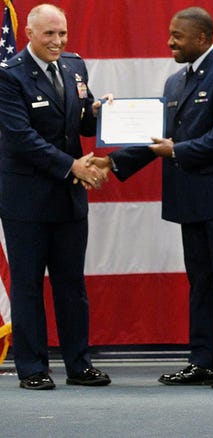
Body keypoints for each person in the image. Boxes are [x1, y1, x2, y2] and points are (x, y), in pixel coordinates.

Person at [90, 7, 213, 389]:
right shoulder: (174, 82)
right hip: (191, 198)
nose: (170, 41)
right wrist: (112, 162)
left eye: (177, 36)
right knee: (200, 281)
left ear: (201, 38)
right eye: (170, 34)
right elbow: (158, 137)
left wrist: (179, 151)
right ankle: (202, 360)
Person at [0, 3, 111, 390]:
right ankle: (32, 368)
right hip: (25, 200)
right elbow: (20, 139)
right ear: (28, 34)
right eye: (49, 34)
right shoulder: (8, 76)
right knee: (28, 286)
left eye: (62, 33)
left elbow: (81, 120)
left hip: (68, 199)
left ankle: (79, 365)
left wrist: (100, 112)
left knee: (71, 284)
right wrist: (73, 166)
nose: (57, 41)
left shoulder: (74, 66)